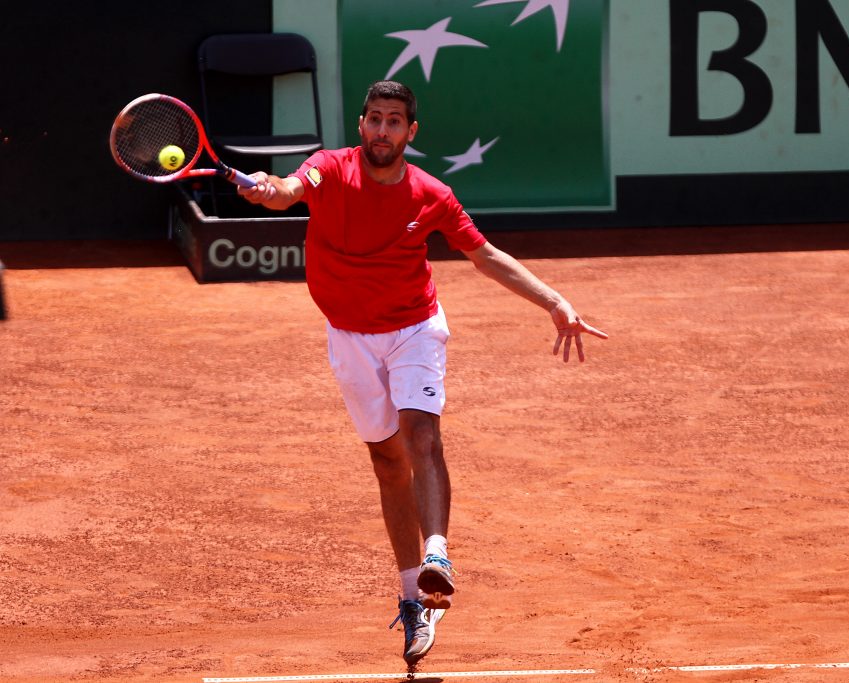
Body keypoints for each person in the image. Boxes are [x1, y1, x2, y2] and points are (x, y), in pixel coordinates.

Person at [239, 80, 607, 666]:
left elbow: (484, 254)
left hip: (414, 327)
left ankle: (438, 552)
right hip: (349, 336)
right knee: (387, 462)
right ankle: (414, 598)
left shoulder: (431, 193)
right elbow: (288, 190)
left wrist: (554, 301)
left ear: (412, 132)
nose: (383, 130)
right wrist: (268, 188)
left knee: (422, 436)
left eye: (395, 121)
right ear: (361, 125)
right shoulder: (329, 169)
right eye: (374, 119)